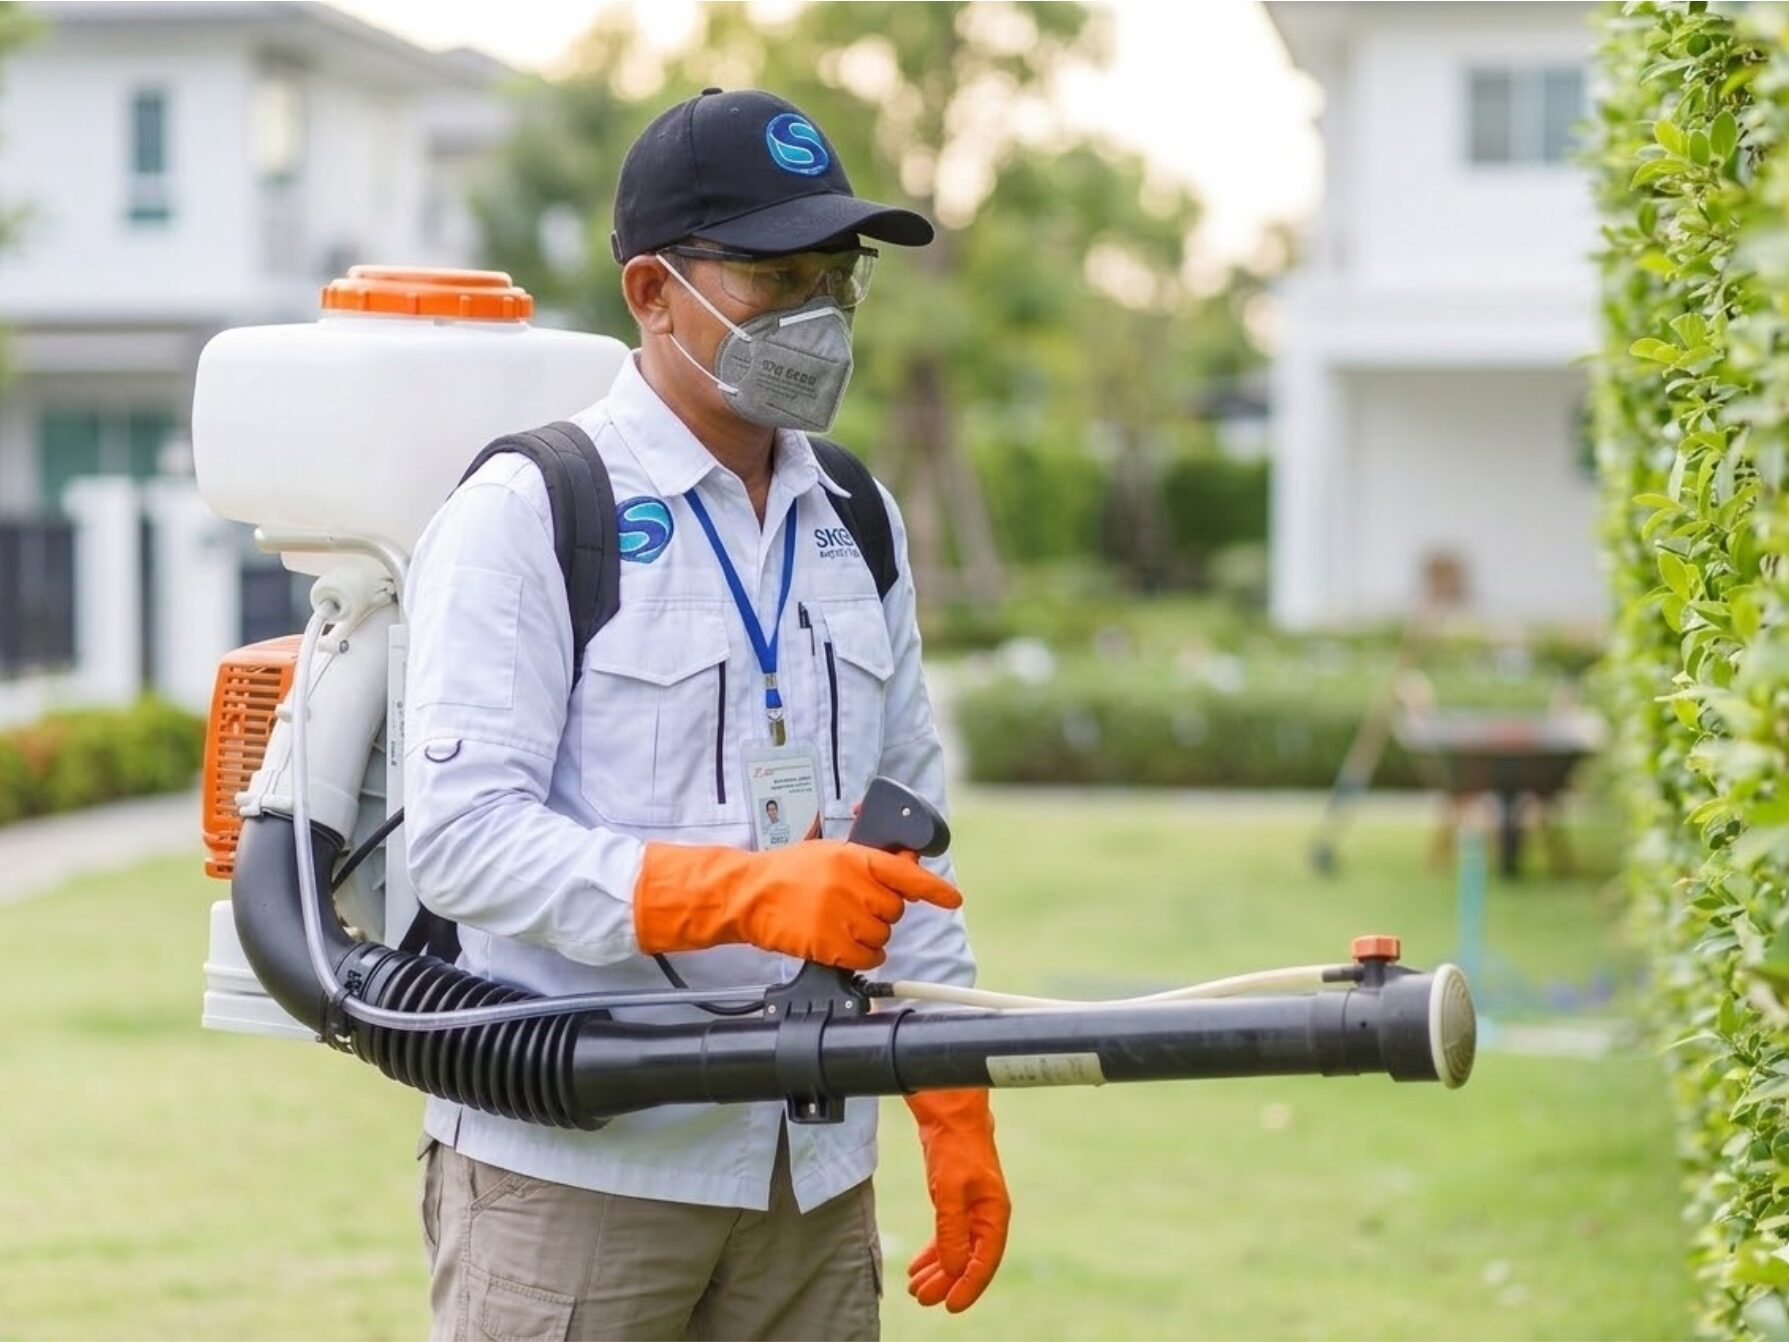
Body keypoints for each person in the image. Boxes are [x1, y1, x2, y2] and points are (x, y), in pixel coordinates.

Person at [402, 87, 1009, 1341]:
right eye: (773, 275)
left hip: (810, 1177)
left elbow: (909, 831)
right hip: (582, 1176)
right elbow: (458, 842)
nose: (817, 318)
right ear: (650, 290)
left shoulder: (858, 514)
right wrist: (746, 891)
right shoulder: (532, 508)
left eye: (838, 278)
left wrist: (955, 1108)